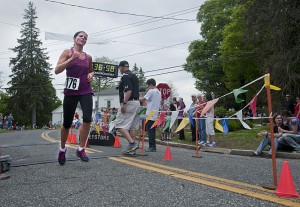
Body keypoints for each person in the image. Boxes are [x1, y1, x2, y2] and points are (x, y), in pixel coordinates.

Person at [54, 31, 94, 165]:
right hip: (71, 91)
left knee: (88, 119)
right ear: (75, 38)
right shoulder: (67, 52)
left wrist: (91, 74)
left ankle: (81, 148)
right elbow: (57, 70)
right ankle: (62, 149)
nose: (83, 38)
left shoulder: (88, 57)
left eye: (85, 37)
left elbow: (90, 70)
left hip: (85, 90)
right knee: (67, 123)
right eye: (81, 36)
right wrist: (71, 59)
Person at [115, 60, 140, 155]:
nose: (120, 70)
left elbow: (128, 91)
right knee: (133, 126)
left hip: (129, 102)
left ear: (121, 67)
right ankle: (132, 151)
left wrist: (124, 104)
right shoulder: (134, 76)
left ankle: (132, 144)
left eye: (119, 68)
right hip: (136, 102)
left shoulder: (125, 76)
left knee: (119, 125)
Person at [139, 78, 161, 152]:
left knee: (150, 131)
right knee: (153, 131)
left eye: (148, 85)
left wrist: (135, 99)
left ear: (151, 85)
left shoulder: (151, 91)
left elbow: (143, 99)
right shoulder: (158, 92)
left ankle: (152, 147)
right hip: (155, 114)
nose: (148, 87)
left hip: (150, 114)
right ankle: (153, 146)